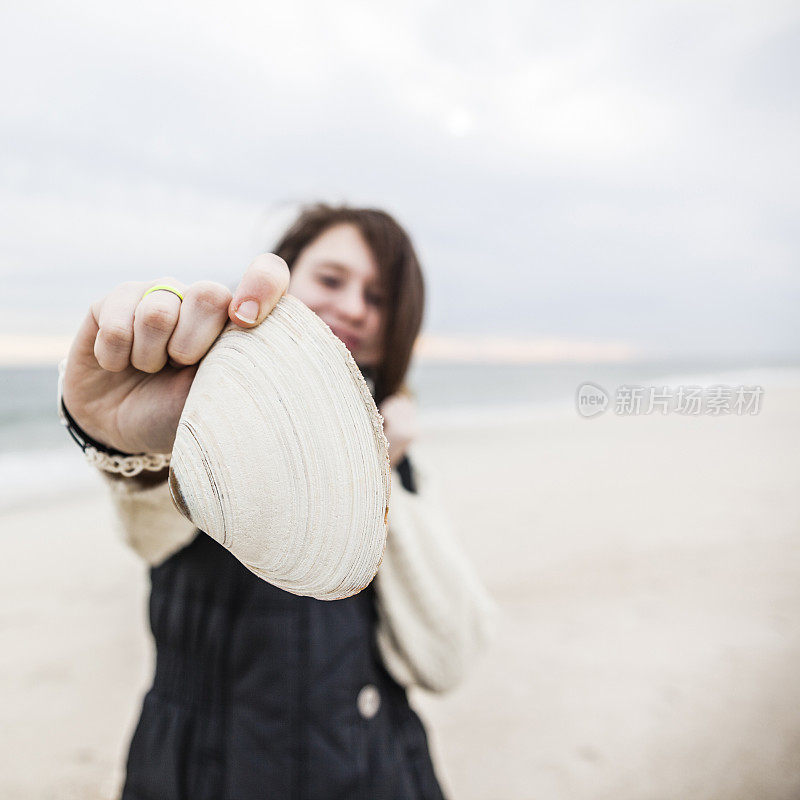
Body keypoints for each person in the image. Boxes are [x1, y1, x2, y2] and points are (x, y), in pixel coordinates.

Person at [59, 203, 496, 800]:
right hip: (196, 768)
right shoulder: (203, 410)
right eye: (332, 279)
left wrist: (377, 472)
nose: (352, 307)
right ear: (286, 273)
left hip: (370, 766)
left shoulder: (401, 454)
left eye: (379, 297)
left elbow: (449, 656)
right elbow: (148, 532)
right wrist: (120, 442)